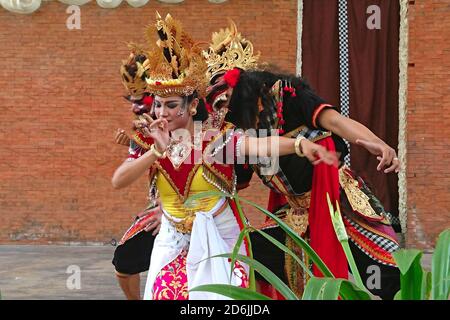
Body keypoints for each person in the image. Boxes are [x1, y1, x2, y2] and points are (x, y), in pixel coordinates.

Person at [112, 13, 338, 300]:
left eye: (171, 105)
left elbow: (258, 145)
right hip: (172, 242)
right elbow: (119, 180)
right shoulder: (148, 139)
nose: (162, 113)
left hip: (219, 241)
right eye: (157, 105)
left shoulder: (213, 139)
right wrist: (156, 151)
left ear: (193, 105)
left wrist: (297, 146)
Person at [214, 67, 402, 300]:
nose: (221, 109)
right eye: (216, 104)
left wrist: (376, 143)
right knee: (249, 253)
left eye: (225, 100)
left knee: (389, 273)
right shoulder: (236, 133)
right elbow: (223, 182)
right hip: (297, 214)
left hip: (339, 203)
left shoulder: (287, 96)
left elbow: (335, 121)